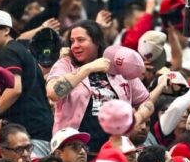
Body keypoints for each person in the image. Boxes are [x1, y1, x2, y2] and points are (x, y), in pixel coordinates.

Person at [46, 20, 151, 153]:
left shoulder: (119, 66)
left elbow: (147, 102)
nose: (74, 46)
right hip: (74, 150)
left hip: (115, 150)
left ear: (96, 42)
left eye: (80, 40)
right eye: (72, 41)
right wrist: (88, 68)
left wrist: (136, 119)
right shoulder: (65, 65)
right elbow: (53, 92)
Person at [0, 11, 53, 156]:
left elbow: (14, 89)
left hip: (30, 132)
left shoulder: (8, 52)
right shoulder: (21, 50)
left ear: (6, 30)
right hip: (40, 128)